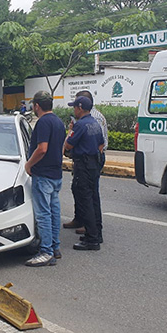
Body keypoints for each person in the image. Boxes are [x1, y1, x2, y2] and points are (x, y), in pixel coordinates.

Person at [24, 91, 66, 267]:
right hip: (56, 174)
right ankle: (55, 247)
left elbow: (42, 149)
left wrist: (28, 165)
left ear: (37, 106)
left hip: (43, 175)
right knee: (54, 212)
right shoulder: (59, 122)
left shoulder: (43, 123)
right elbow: (61, 147)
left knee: (43, 214)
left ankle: (46, 251)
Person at [63, 90, 107, 236]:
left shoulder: (81, 124)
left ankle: (91, 235)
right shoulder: (94, 122)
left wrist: (71, 130)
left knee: (86, 198)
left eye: (75, 107)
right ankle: (95, 231)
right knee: (92, 197)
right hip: (93, 162)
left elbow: (68, 145)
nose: (74, 110)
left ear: (80, 108)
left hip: (84, 164)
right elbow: (101, 144)